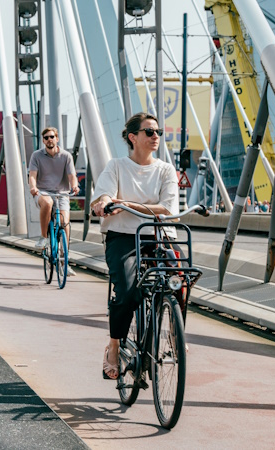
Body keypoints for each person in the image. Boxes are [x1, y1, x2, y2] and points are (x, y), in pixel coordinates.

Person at [90, 112, 178, 380]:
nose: (156, 137)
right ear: (133, 137)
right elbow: (104, 194)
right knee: (127, 292)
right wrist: (104, 203)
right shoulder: (116, 166)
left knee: (180, 280)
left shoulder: (165, 169)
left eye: (158, 132)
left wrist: (126, 204)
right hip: (123, 237)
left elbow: (167, 208)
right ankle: (114, 346)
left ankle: (175, 333)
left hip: (160, 236)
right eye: (149, 132)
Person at [28, 127, 80, 249]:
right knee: (47, 202)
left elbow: (72, 175)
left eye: (52, 137)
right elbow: (32, 176)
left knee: (64, 223)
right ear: (43, 141)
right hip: (42, 192)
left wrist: (74, 186)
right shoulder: (36, 156)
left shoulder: (66, 156)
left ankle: (64, 259)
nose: (49, 140)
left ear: (57, 139)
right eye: (46, 138)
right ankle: (44, 237)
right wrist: (33, 187)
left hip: (62, 193)